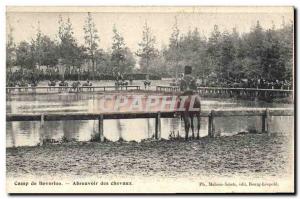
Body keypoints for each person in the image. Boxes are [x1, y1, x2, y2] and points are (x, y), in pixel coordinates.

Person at [177, 65, 201, 140]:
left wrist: (183, 92)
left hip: (185, 95)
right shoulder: (193, 79)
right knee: (198, 99)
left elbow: (181, 90)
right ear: (190, 71)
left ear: (185, 71)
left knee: (178, 100)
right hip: (193, 95)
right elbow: (196, 89)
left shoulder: (182, 79)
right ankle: (197, 134)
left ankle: (178, 112)